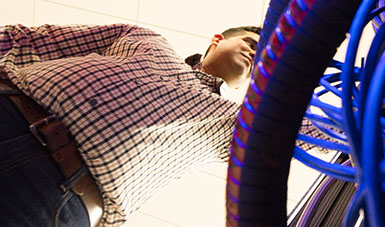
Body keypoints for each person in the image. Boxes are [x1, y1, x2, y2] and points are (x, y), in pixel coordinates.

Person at [0, 23, 308, 226]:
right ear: (217, 40)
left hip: (54, 197)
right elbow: (30, 40)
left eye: (266, 59)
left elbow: (310, 131)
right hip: (9, 112)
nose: (257, 54)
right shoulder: (147, 40)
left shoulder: (233, 122)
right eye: (252, 43)